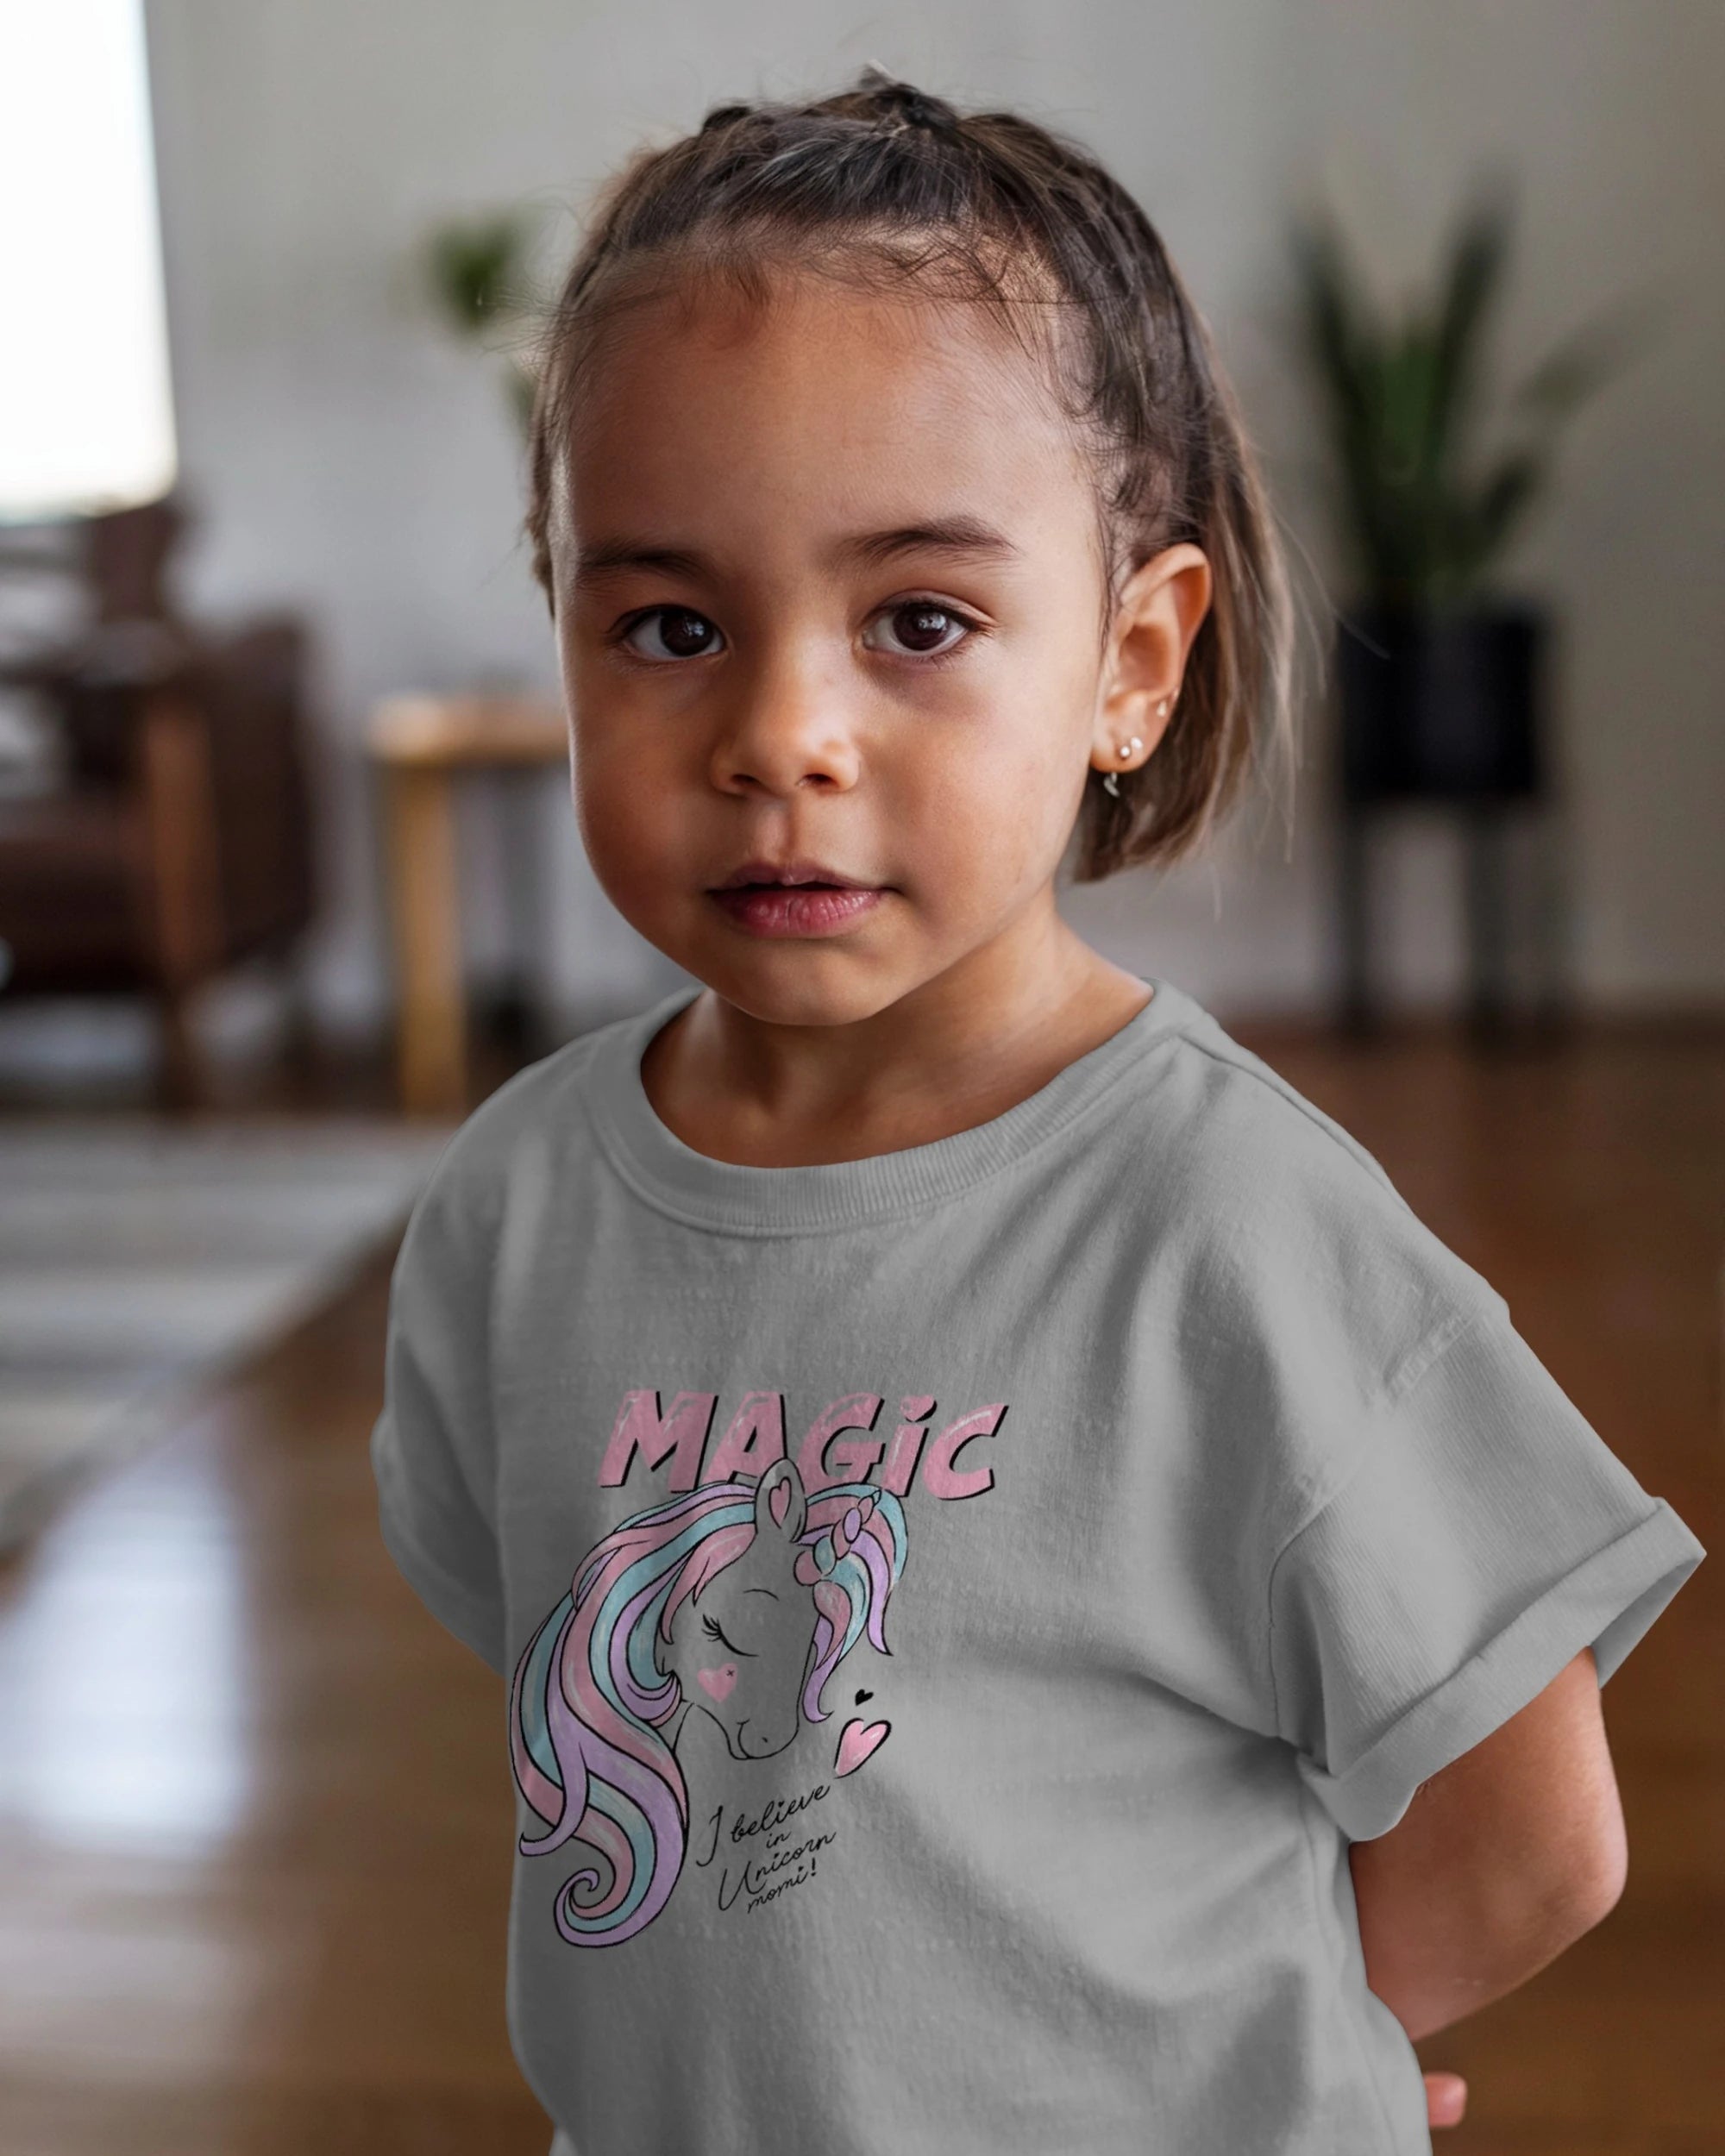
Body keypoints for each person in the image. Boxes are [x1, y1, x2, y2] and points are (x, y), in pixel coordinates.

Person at [370, 72, 1705, 2156]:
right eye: (669, 625)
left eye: (918, 620)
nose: (781, 734)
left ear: (1131, 663)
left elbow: (1529, 1833)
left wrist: (1255, 2047)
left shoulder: (1231, 1220)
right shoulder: (510, 1208)